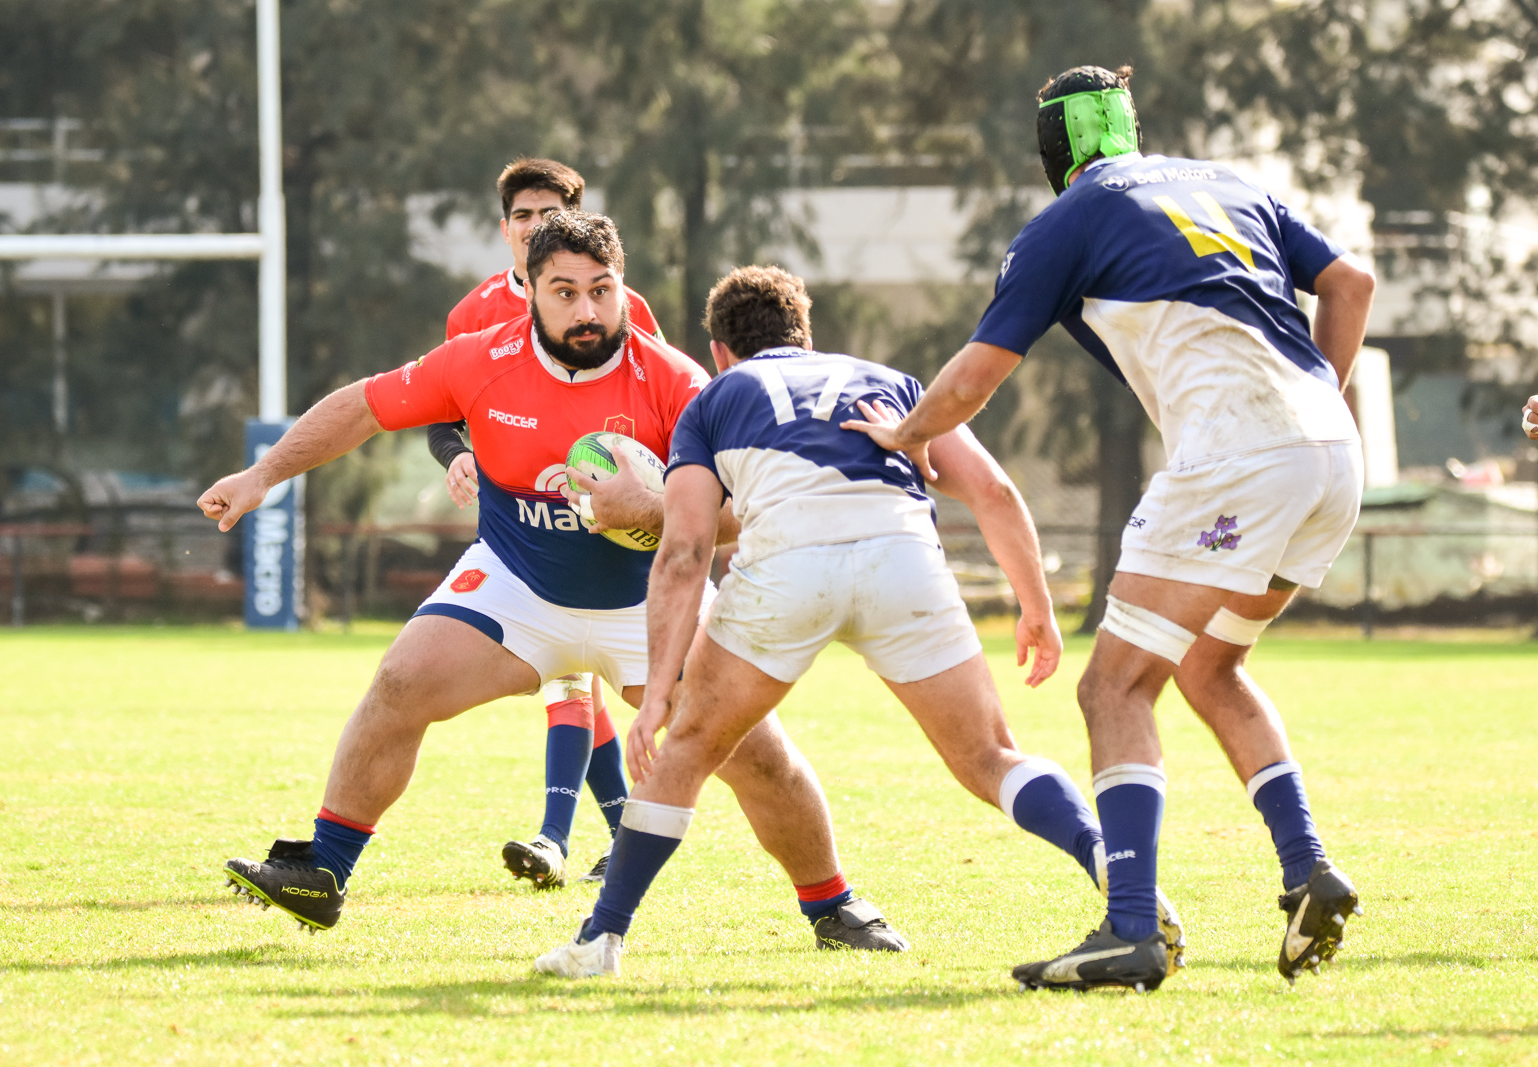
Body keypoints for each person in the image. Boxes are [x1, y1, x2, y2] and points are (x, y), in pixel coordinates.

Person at [199, 213, 907, 952]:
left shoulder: (676, 382)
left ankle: (836, 906)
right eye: (564, 291)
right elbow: (364, 407)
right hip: (516, 582)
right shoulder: (479, 360)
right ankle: (325, 870)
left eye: (602, 290)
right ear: (530, 290)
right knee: (401, 682)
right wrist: (262, 474)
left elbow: (740, 510)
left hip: (647, 602)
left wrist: (649, 508)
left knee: (756, 751)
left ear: (624, 288)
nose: (587, 310)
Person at [845, 64, 1376, 992]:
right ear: (1131, 125)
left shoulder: (1069, 219)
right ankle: (1308, 868)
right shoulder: (1226, 183)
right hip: (1333, 452)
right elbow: (1352, 283)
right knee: (1212, 665)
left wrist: (907, 430)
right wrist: (1314, 410)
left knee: (1113, 689)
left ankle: (1130, 925)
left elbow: (974, 376)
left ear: (1054, 150)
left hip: (1238, 459)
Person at [534, 265, 1186, 982]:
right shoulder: (891, 381)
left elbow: (685, 550)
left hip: (789, 565)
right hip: (902, 558)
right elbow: (994, 491)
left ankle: (601, 940)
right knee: (990, 756)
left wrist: (659, 689)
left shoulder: (715, 397)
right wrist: (1035, 604)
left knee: (687, 745)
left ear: (720, 351)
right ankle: (1112, 866)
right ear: (807, 337)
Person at [425, 157, 668, 888]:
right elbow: (440, 413)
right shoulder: (470, 315)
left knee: (575, 677)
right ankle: (610, 831)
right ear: (505, 230)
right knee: (571, 676)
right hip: (519, 526)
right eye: (523, 216)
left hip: (611, 529)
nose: (535, 226)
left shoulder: (621, 304)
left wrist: (645, 496)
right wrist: (458, 455)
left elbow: (656, 405)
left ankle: (560, 837)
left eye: (549, 213)